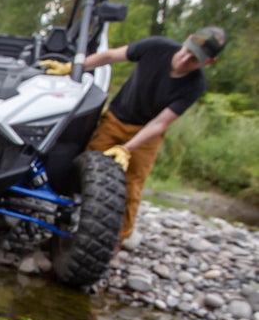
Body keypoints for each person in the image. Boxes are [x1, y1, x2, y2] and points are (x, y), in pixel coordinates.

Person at [41, 26, 227, 241]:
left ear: (208, 62)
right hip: (116, 119)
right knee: (87, 168)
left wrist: (127, 149)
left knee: (131, 187)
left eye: (194, 59)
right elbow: (111, 56)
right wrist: (74, 67)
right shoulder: (157, 47)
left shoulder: (195, 86)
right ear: (187, 39)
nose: (185, 60)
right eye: (187, 51)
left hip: (147, 134)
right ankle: (70, 220)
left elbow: (160, 123)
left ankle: (117, 240)